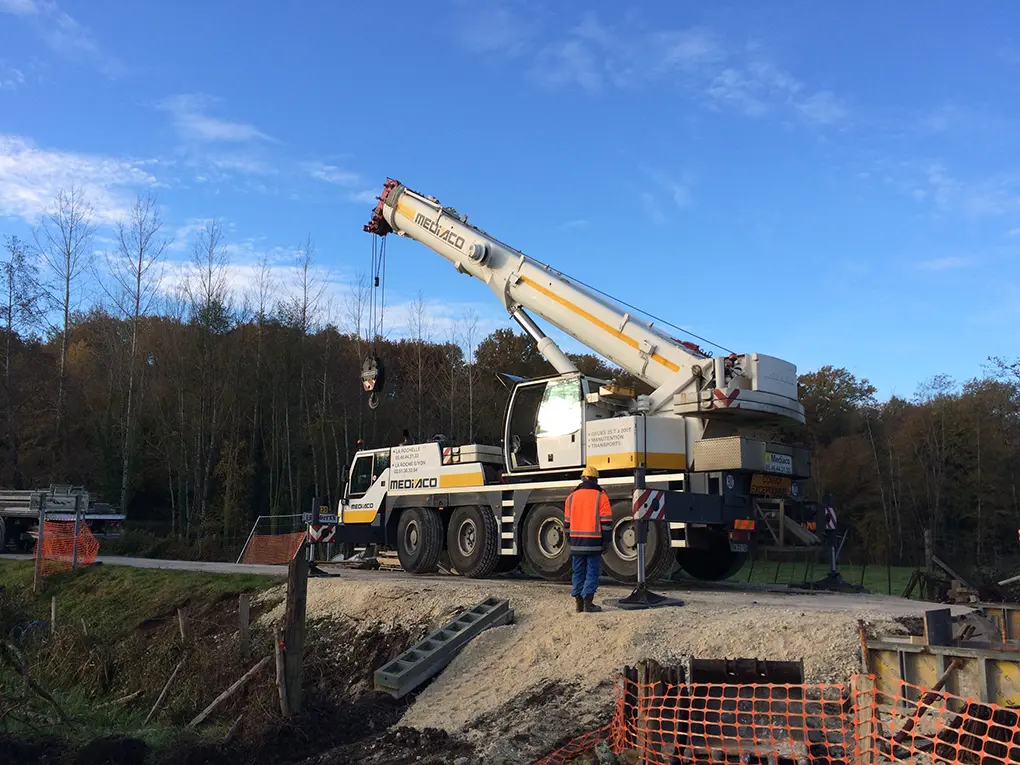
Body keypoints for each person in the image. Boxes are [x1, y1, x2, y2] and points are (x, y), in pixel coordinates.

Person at [564, 464, 613, 613]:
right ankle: (588, 602)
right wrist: (606, 541)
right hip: (594, 542)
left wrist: (568, 538)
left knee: (578, 571)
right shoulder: (601, 496)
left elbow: (567, 522)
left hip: (577, 541)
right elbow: (606, 522)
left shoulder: (571, 496)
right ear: (596, 480)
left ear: (582, 479)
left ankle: (578, 603)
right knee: (592, 572)